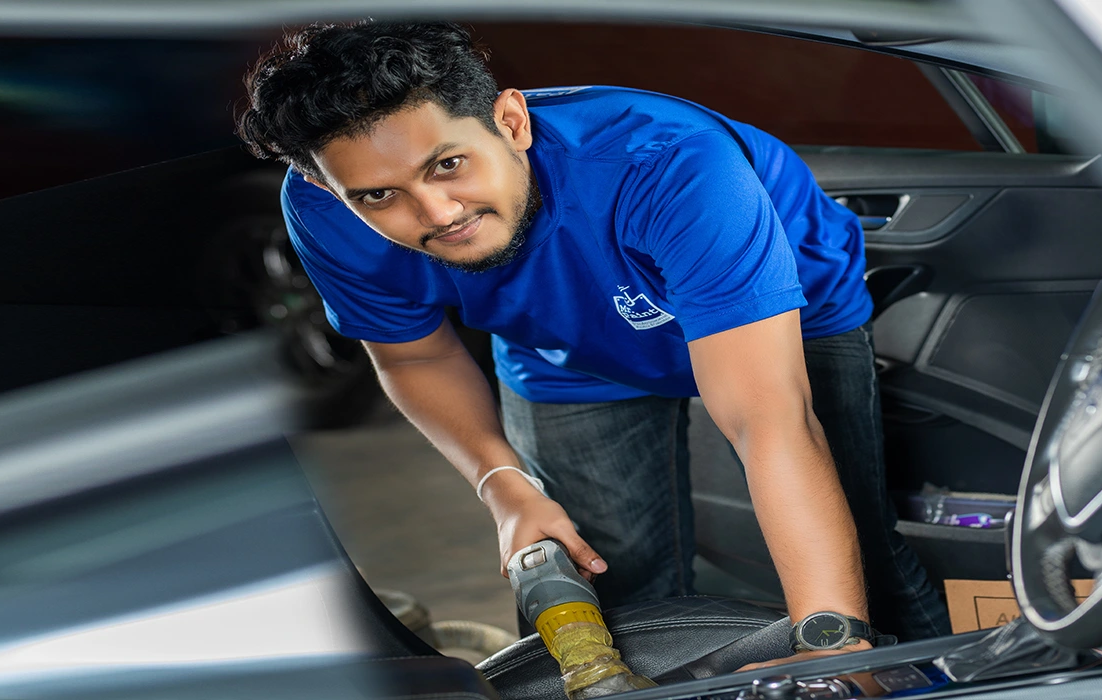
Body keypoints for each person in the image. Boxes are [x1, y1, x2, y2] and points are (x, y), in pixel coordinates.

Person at [236, 21, 950, 656]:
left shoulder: (669, 163)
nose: (438, 212)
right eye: (378, 196)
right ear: (328, 190)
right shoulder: (324, 208)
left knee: (857, 570)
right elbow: (414, 353)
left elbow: (769, 420)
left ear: (511, 121)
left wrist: (833, 649)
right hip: (563, 345)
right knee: (611, 580)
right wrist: (503, 485)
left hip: (780, 310)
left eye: (448, 164)